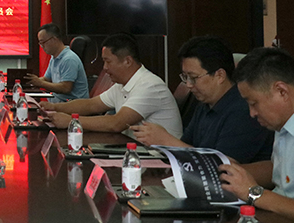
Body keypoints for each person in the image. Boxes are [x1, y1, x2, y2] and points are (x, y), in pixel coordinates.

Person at [131, 36, 273, 163]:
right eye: (185, 77)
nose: (188, 84)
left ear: (220, 75)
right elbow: (186, 146)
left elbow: (222, 165)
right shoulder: (204, 104)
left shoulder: (244, 110)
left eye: (193, 77)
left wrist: (166, 140)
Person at [41, 33, 183, 138]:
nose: (105, 68)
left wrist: (71, 121)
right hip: (139, 151)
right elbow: (91, 105)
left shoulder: (149, 86)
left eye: (108, 61)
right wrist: (54, 108)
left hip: (162, 159)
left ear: (127, 61)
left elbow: (116, 123)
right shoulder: (122, 85)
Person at [220, 47, 294, 219]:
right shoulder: (282, 125)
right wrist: (231, 173)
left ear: (282, 91)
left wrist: (254, 193)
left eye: (254, 103)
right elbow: (281, 176)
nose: (252, 113)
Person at [24, 23, 89, 102]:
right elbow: (47, 79)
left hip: (72, 105)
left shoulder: (69, 59)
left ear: (54, 39)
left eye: (43, 42)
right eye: (40, 43)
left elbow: (66, 88)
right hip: (59, 103)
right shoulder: (54, 57)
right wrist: (30, 82)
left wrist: (40, 83)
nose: (42, 46)